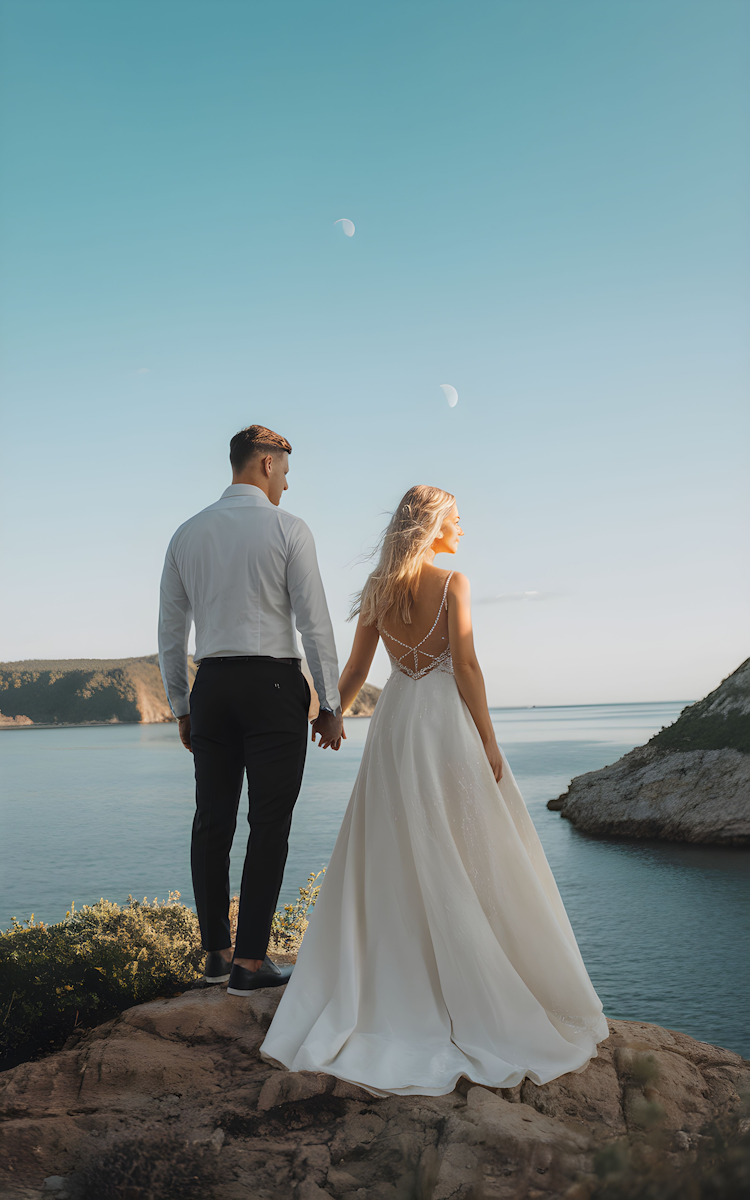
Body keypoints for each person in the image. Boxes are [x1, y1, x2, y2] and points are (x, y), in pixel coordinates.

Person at [260, 485, 608, 1095]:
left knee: (401, 846)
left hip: (396, 726)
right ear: (432, 527)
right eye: (456, 519)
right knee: (469, 847)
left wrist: (332, 715)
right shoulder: (453, 584)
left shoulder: (377, 590)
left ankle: (404, 975)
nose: (462, 530)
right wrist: (491, 741)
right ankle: (474, 982)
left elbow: (358, 671)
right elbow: (468, 667)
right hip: (446, 724)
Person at [158, 425, 343, 997]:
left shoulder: (187, 534)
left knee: (211, 821)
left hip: (211, 687)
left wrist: (182, 705)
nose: (286, 484)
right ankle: (251, 963)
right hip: (272, 687)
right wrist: (331, 703)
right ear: (265, 464)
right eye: (284, 471)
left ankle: (215, 954)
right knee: (269, 825)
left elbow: (170, 632)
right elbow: (314, 623)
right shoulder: (289, 529)